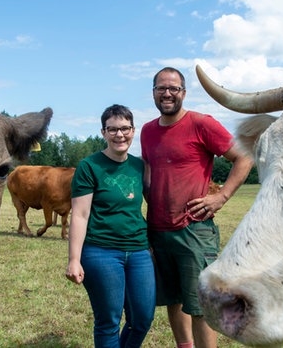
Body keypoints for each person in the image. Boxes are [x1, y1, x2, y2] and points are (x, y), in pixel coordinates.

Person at [141, 67, 253, 348]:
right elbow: (147, 172)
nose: (167, 93)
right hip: (158, 229)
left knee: (201, 306)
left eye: (173, 88)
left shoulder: (202, 123)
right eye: (161, 88)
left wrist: (222, 196)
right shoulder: (147, 131)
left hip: (193, 230)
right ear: (153, 92)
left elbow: (244, 158)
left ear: (183, 93)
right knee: (173, 298)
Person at [66, 104, 155, 348]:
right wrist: (74, 259)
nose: (119, 135)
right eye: (112, 129)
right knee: (108, 322)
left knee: (142, 318)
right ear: (103, 133)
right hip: (101, 251)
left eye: (125, 128)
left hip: (138, 250)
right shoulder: (89, 166)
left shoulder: (139, 166)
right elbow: (80, 215)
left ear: (133, 130)